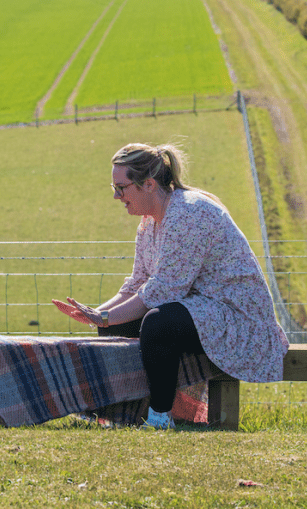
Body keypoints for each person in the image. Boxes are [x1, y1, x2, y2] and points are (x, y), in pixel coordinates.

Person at [53, 143, 289, 429]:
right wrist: (97, 314)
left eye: (121, 187)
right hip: (199, 308)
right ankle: (115, 413)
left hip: (237, 318)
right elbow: (138, 282)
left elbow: (162, 291)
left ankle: (159, 418)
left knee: (157, 324)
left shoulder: (188, 213)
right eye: (113, 187)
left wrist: (103, 316)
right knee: (113, 328)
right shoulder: (149, 223)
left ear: (148, 184)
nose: (116, 196)